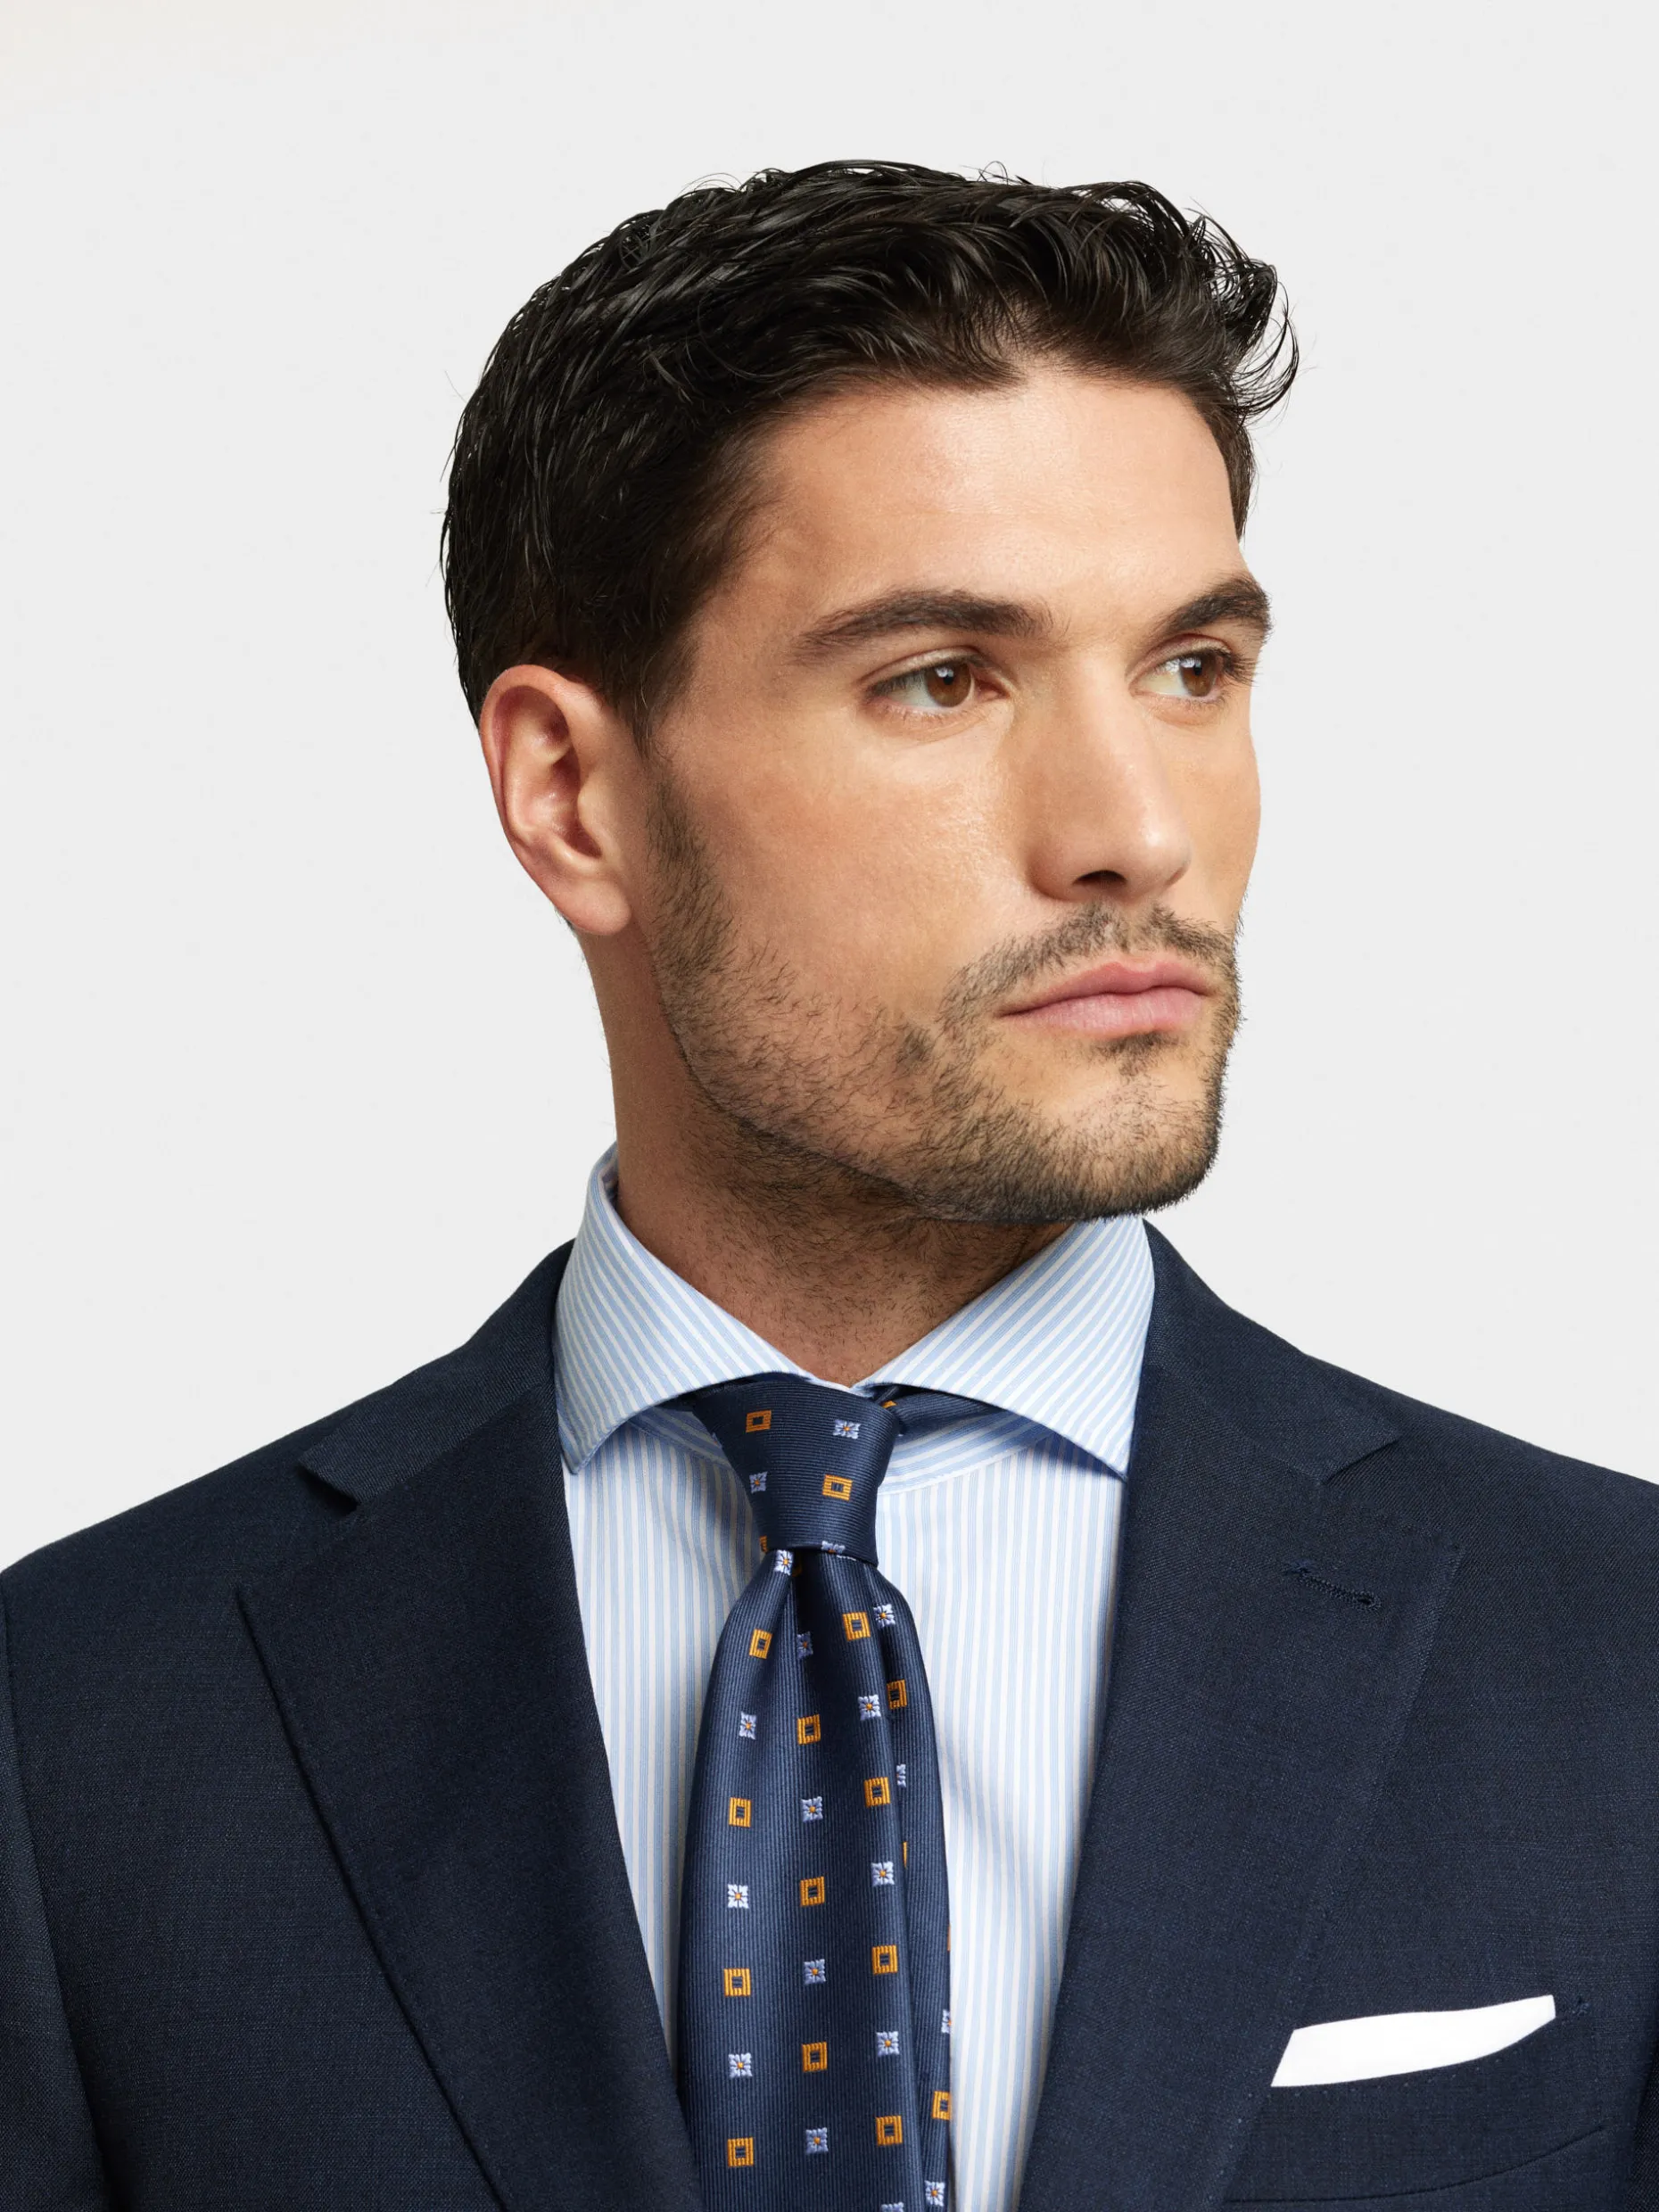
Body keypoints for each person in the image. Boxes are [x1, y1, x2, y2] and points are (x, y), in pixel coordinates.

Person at [2, 161, 1655, 2212]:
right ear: (572, 794)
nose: (1136, 829)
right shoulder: (80, 1725)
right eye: (942, 676)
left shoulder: (1618, 1661)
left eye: (1193, 669)